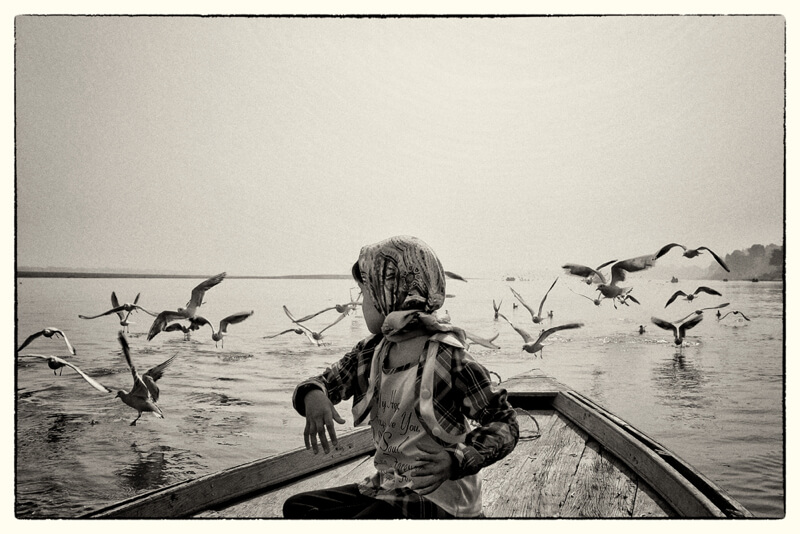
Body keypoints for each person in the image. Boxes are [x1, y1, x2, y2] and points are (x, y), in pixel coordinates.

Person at [283, 236, 519, 519]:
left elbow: (504, 422)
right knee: (297, 507)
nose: (362, 305)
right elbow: (328, 382)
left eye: (365, 295)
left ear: (390, 295)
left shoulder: (450, 358)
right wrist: (313, 394)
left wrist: (456, 459)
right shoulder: (371, 351)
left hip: (440, 499)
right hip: (390, 487)